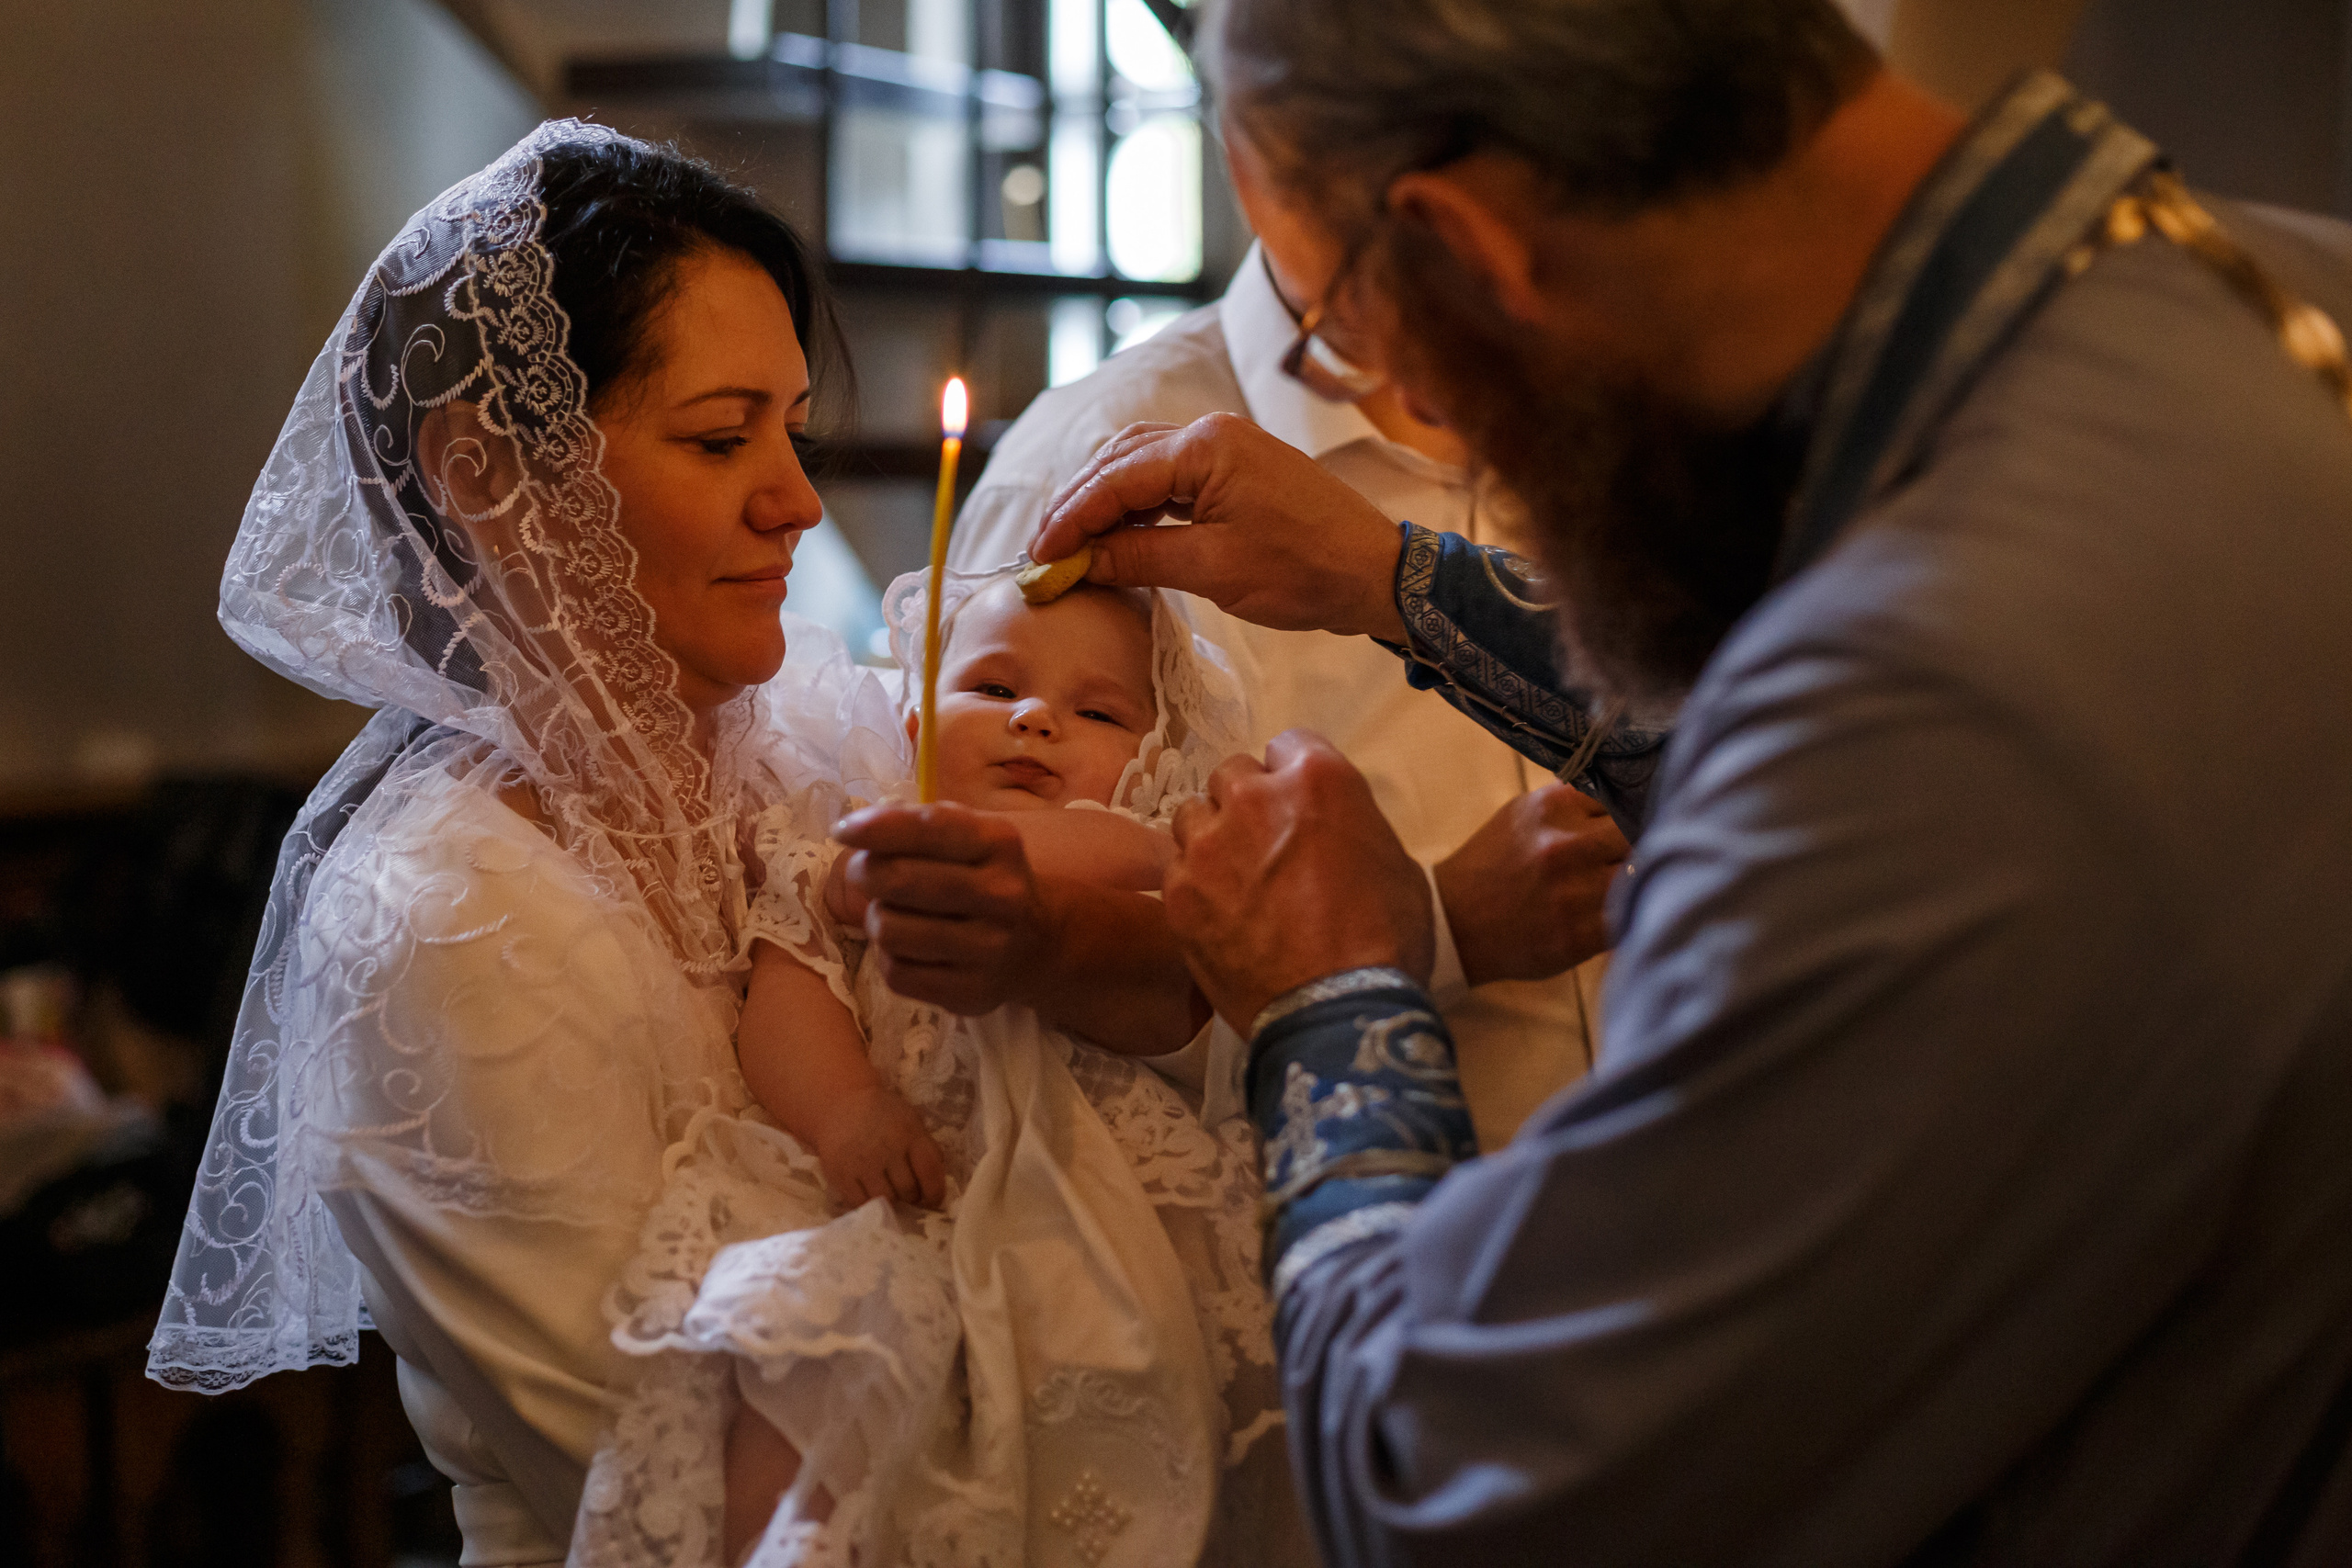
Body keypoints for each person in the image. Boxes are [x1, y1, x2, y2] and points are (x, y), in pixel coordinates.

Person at [841, 2, 2352, 1562]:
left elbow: (1461, 1486)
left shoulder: (1930, 700)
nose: (1421, 429)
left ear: (1469, 249)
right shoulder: (2281, 286)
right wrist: (1407, 583)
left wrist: (1339, 994)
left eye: (1350, 320)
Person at [144, 126, 1211, 1567]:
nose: (799, 500)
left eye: (793, 430)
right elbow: (675, 1483)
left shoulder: (820, 738)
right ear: (483, 471)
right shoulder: (440, 913)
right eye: (722, 437)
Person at [571, 570, 1296, 1567]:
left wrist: (893, 868)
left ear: (1151, 762)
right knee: (801, 1345)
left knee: (1129, 1372)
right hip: (895, 1196)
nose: (1037, 719)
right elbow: (790, 995)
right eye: (993, 691)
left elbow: (1100, 871)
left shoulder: (1136, 847)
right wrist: (845, 1110)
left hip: (1086, 1199)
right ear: (913, 717)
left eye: (1096, 711)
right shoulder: (841, 840)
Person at [951, 244, 1645, 1148]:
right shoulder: (1091, 462)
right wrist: (1440, 929)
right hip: (1375, 1240)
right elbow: (1013, 1021)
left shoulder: (1627, 398)